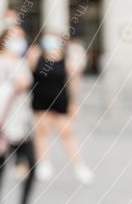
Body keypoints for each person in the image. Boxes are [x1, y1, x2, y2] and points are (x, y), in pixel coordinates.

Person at [29, 30, 94, 185]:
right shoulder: (36, 56)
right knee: (42, 133)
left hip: (61, 100)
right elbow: (28, 75)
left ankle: (80, 167)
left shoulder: (66, 58)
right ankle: (44, 164)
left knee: (67, 133)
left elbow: (73, 81)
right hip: (40, 100)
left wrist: (74, 103)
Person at [0, 26, 36, 204]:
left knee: (30, 164)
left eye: (21, 37)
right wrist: (15, 85)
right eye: (14, 37)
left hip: (22, 121)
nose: (18, 41)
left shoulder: (23, 61)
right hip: (3, 121)